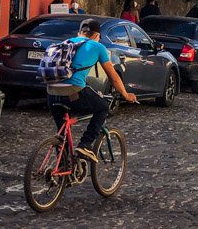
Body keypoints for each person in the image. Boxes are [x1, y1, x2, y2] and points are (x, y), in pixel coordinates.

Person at [46, 19, 136, 162]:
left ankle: (61, 172)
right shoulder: (97, 46)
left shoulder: (67, 42)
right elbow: (113, 78)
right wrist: (126, 95)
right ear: (96, 35)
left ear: (80, 33)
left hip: (51, 93)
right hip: (73, 92)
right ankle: (85, 145)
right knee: (102, 108)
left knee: (62, 134)